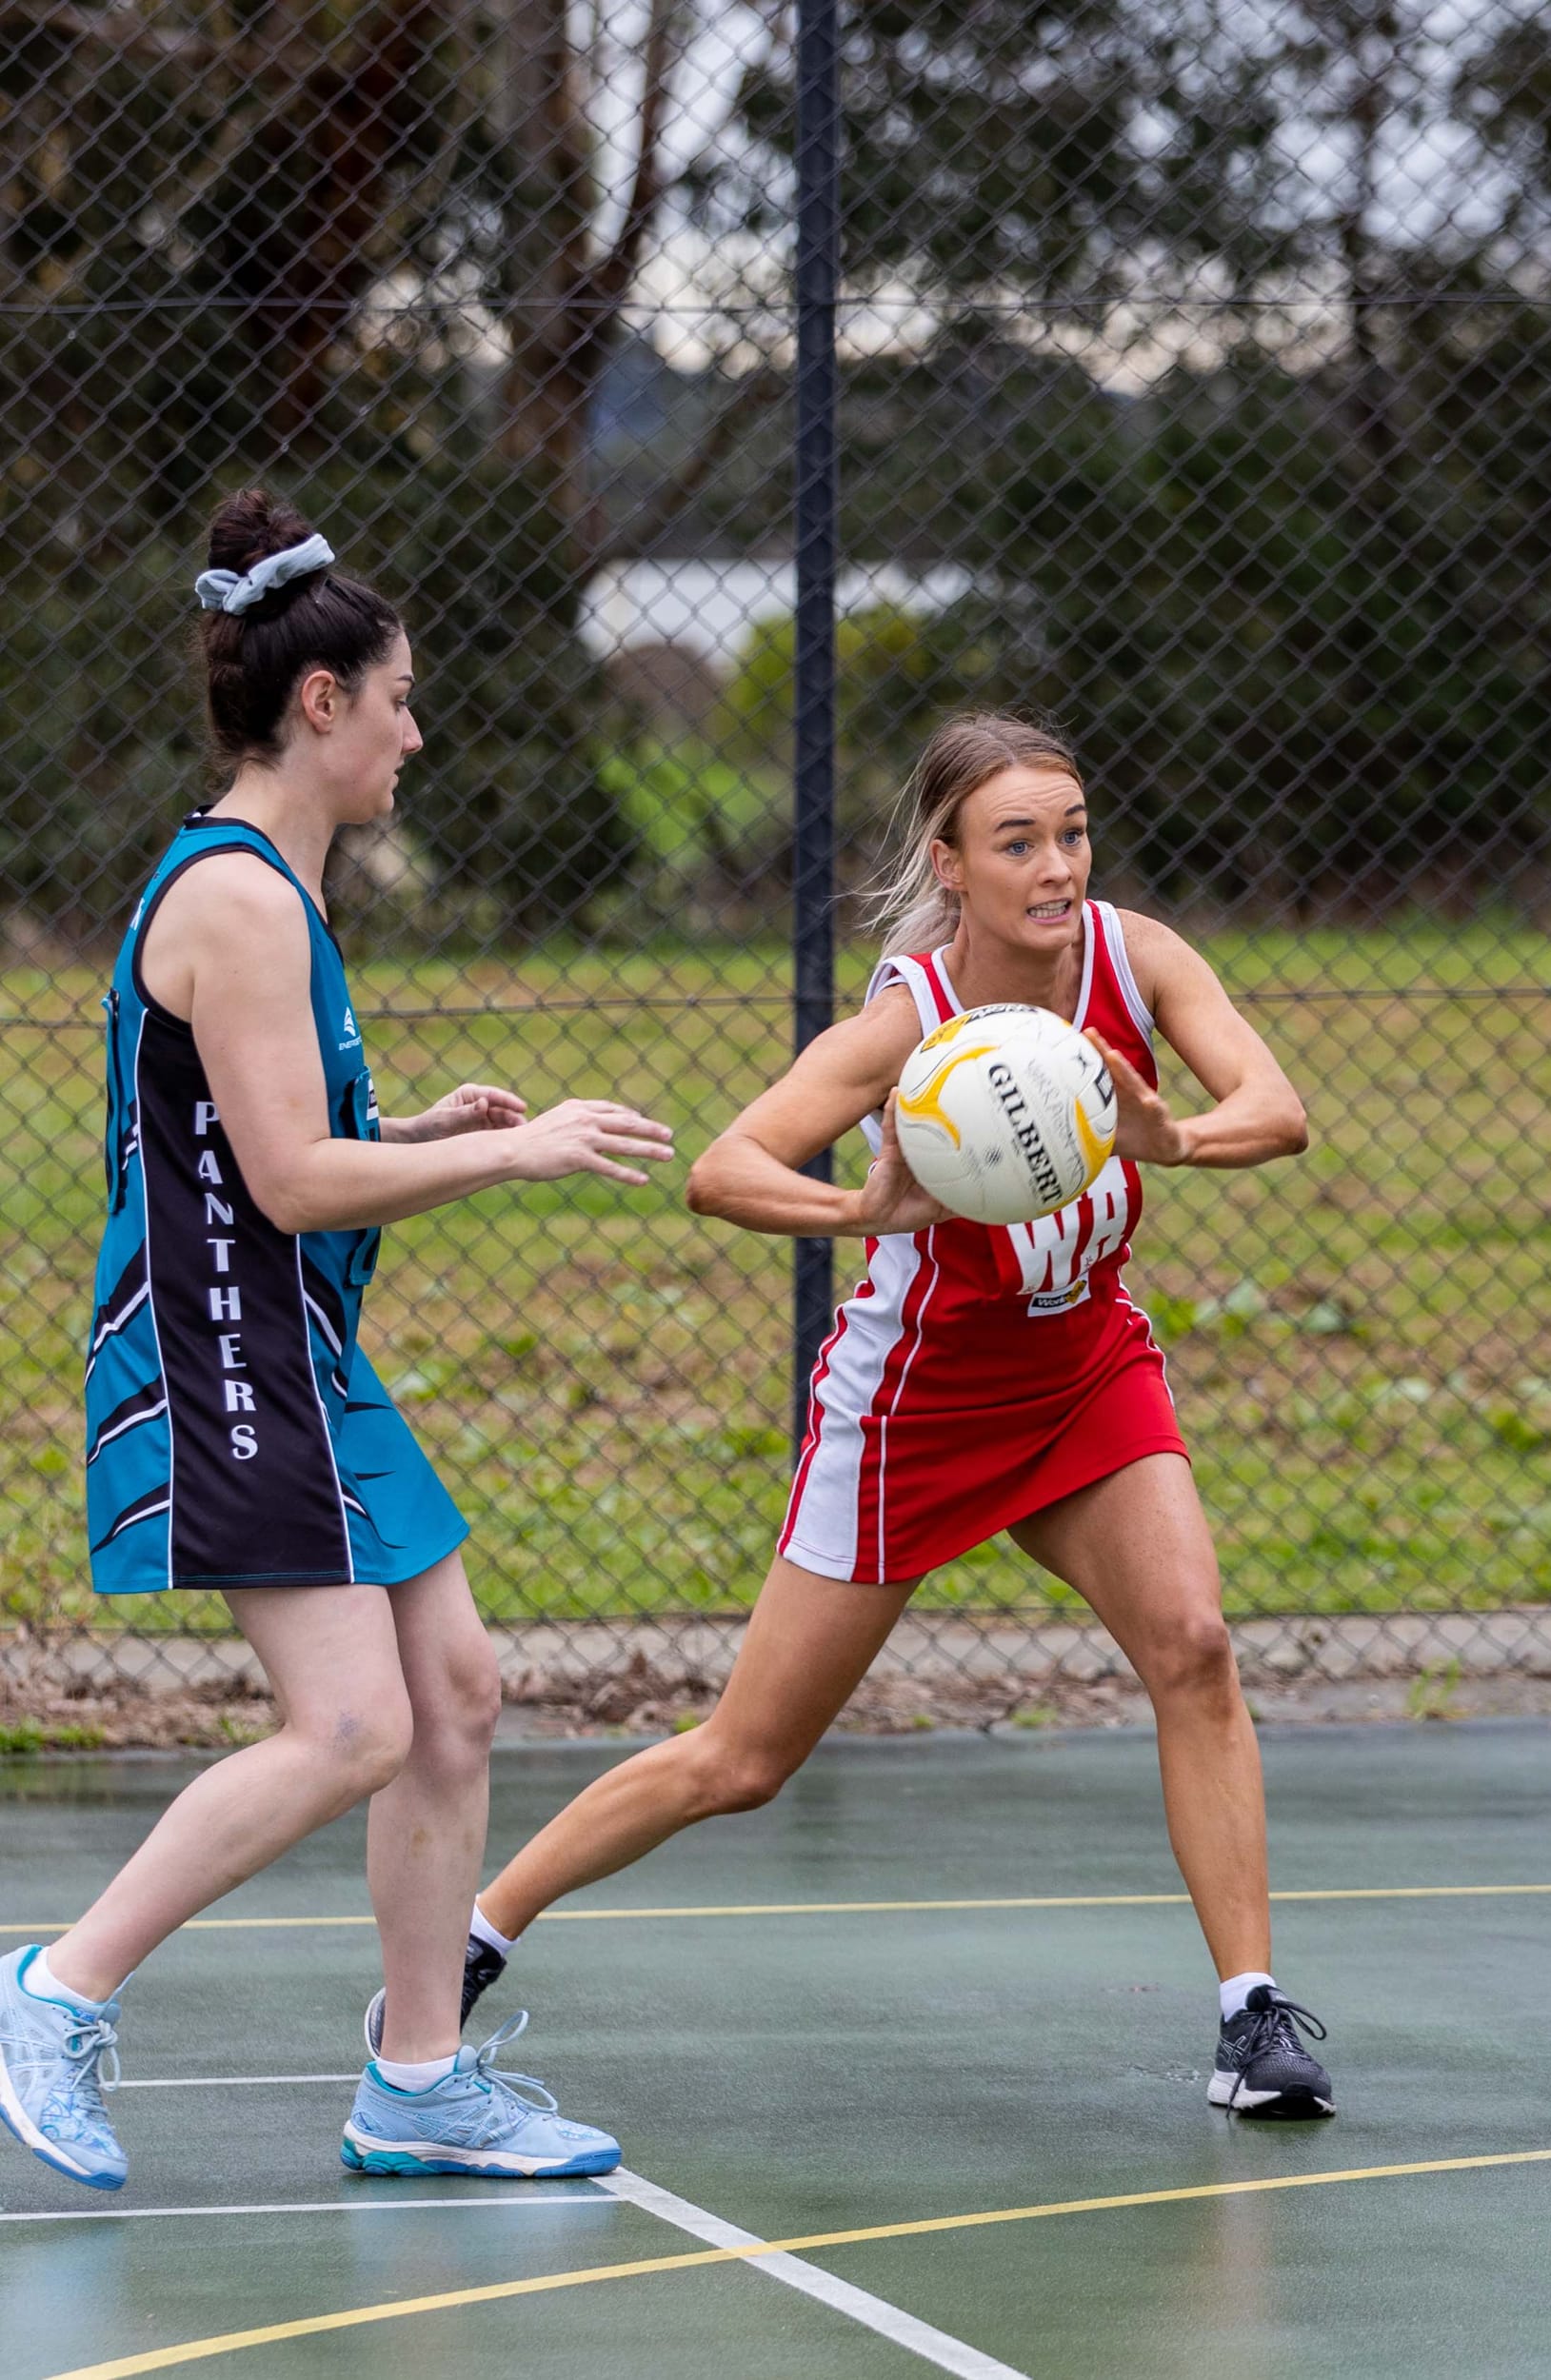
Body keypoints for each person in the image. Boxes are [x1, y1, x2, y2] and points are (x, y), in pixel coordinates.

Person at [399, 713, 1335, 2119]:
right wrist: (861, 1207)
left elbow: (1278, 1109)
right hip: (917, 1407)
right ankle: (470, 1934)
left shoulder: (1139, 962)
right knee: (745, 1761)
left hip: (1083, 1370)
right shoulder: (912, 1021)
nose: (1057, 864)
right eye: (1018, 841)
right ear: (949, 864)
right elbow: (725, 1169)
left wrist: (1176, 1136)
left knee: (1195, 1648)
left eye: (1071, 832)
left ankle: (1250, 2017)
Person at [0, 491, 671, 2193]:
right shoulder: (233, 900)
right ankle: (55, 1989)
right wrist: (501, 1150)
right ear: (322, 706)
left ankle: (422, 2077)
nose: (414, 734)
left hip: (298, 1349)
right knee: (356, 1728)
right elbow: (290, 1183)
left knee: (457, 1694)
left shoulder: (275, 890)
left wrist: (424, 1119)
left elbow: (273, 1139)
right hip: (225, 1356)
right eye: (397, 700)